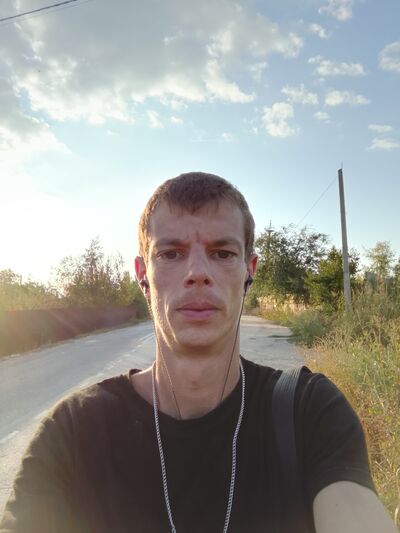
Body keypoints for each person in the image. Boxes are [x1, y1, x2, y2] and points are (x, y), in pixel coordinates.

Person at [0, 172, 397, 533]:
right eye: (170, 253)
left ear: (249, 270)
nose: (197, 273)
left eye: (222, 253)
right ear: (142, 274)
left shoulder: (309, 413)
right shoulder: (73, 433)